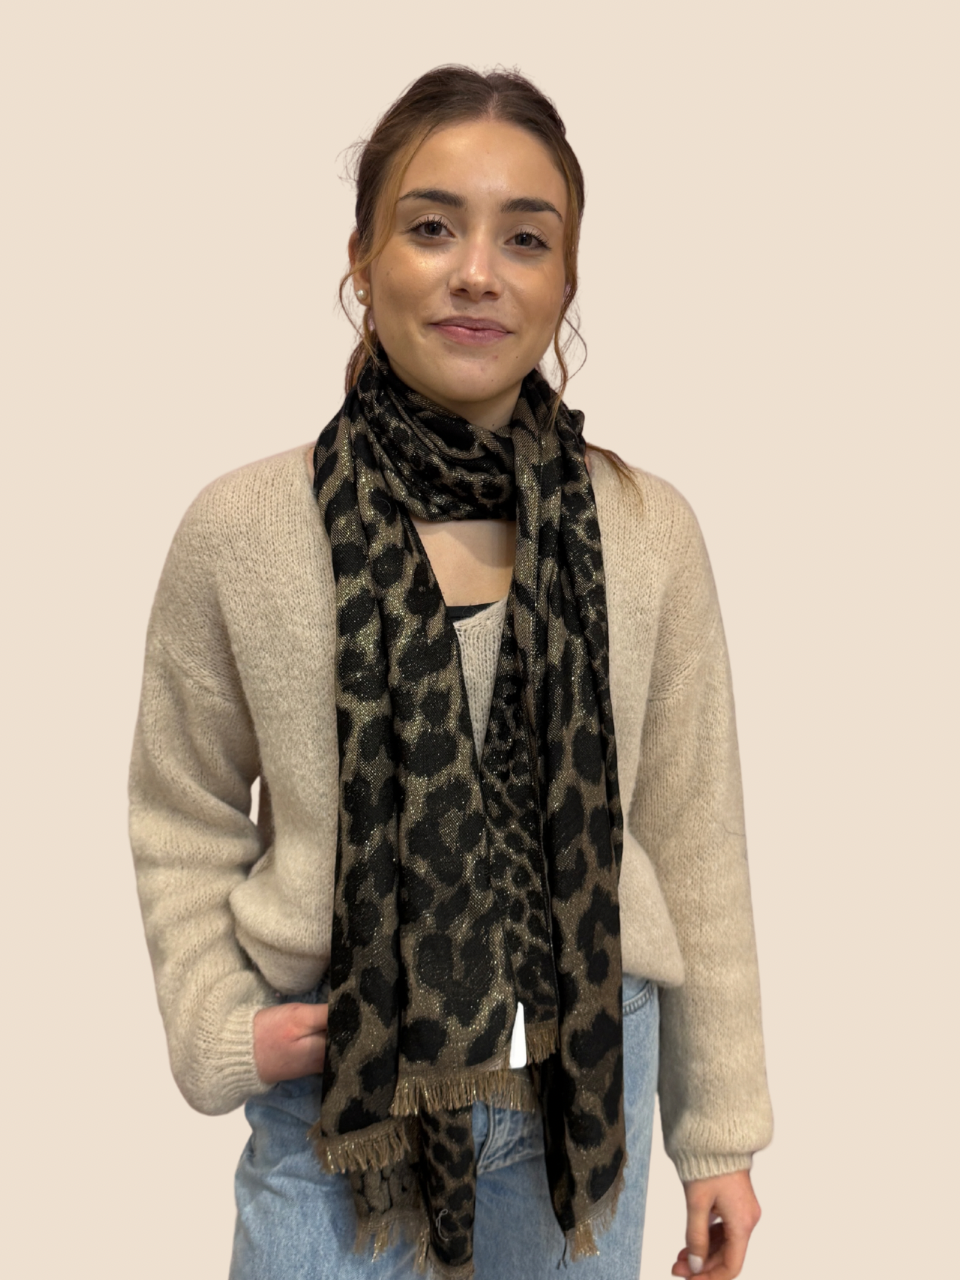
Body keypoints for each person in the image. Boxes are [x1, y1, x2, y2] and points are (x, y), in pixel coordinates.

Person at [129, 66, 773, 1280]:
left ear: (566, 278)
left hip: (584, 1099)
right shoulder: (243, 530)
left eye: (525, 238)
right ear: (362, 259)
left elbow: (695, 837)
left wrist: (719, 1136)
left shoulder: (645, 533)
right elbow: (183, 806)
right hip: (338, 1104)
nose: (479, 271)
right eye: (432, 227)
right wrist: (222, 1025)